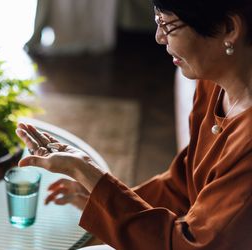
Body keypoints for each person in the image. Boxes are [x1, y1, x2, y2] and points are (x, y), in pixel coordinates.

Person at [15, 0, 252, 249]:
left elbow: (185, 245)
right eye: (157, 21)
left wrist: (89, 175)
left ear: (229, 28)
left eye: (167, 24)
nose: (159, 37)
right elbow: (182, 183)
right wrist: (102, 196)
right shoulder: (214, 82)